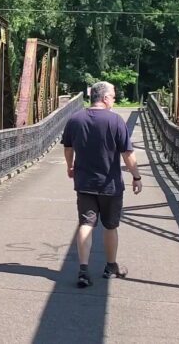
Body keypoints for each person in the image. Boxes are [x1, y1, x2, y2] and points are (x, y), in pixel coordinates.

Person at [61, 81, 143, 288]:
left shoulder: (75, 119)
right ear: (105, 98)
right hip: (110, 185)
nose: (114, 99)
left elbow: (68, 148)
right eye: (113, 96)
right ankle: (110, 266)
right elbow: (127, 154)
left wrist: (70, 167)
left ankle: (83, 270)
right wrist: (136, 176)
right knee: (110, 227)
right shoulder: (116, 121)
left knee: (86, 224)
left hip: (85, 183)